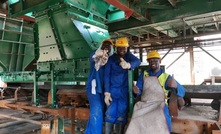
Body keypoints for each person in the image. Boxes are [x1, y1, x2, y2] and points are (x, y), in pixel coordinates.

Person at [132, 50, 186, 132]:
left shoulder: (166, 77)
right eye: (150, 61)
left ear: (160, 61)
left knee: (164, 120)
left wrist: (175, 87)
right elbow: (139, 90)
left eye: (155, 60)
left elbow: (182, 90)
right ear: (148, 62)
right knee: (137, 118)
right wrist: (136, 91)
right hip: (145, 104)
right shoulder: (144, 74)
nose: (153, 62)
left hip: (160, 104)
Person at [104, 37, 141, 134]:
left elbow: (138, 61)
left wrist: (129, 65)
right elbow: (107, 76)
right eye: (119, 48)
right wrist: (106, 92)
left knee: (121, 114)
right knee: (109, 114)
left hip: (124, 91)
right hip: (112, 90)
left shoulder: (129, 57)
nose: (122, 50)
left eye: (124, 48)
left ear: (127, 48)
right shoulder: (111, 59)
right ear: (116, 48)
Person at [85, 39, 114, 134]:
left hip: (105, 90)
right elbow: (93, 58)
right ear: (100, 46)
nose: (106, 46)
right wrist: (99, 55)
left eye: (109, 45)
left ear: (111, 48)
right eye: (104, 44)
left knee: (98, 113)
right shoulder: (95, 55)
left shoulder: (111, 60)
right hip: (94, 88)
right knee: (96, 110)